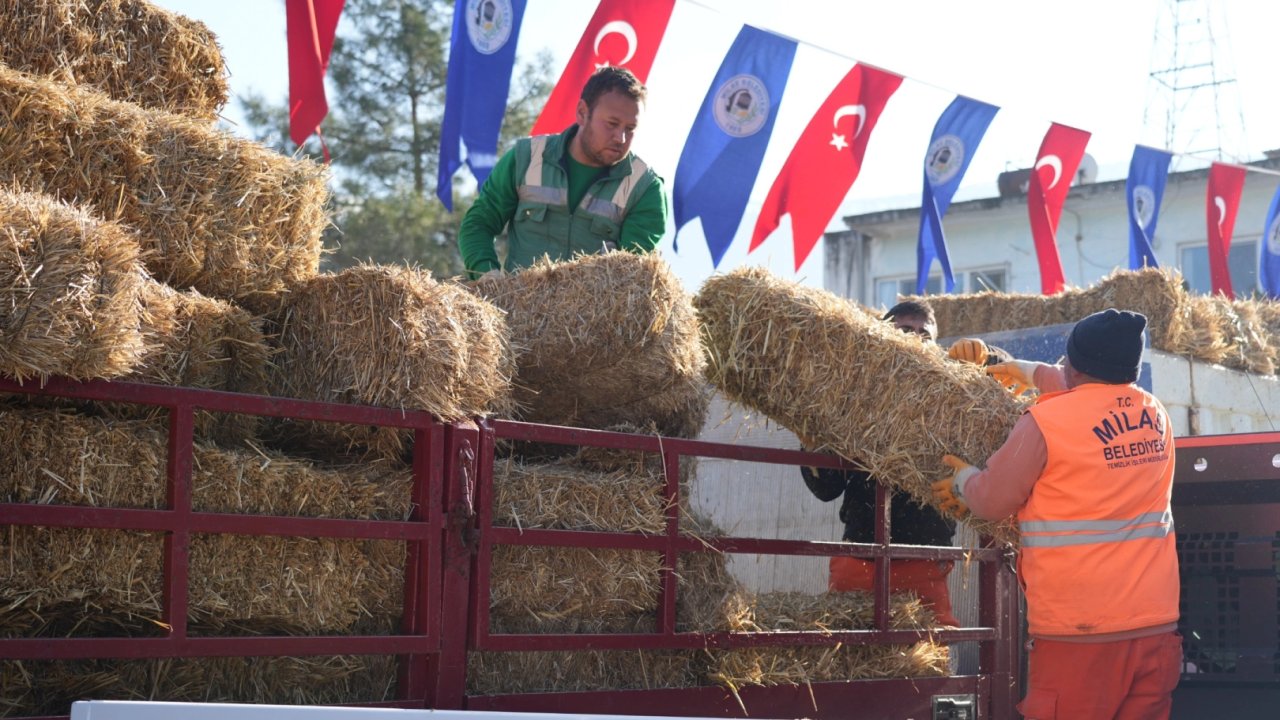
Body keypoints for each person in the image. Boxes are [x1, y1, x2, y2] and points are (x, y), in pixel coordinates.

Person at [931, 308, 1181, 719]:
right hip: (1156, 629)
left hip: (1080, 633)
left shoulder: (1046, 422)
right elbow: (1094, 397)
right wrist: (1029, 371)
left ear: (1075, 365)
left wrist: (964, 480)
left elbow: (992, 500)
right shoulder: (1154, 414)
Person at [802, 299, 997, 627]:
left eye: (925, 335)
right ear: (883, 334)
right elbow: (826, 489)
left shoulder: (953, 397)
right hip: (861, 556)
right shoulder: (855, 397)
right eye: (905, 330)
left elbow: (1003, 387)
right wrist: (811, 442)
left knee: (930, 648)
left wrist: (988, 354)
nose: (915, 339)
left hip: (926, 557)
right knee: (847, 647)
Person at [457, 65, 668, 280]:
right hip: (516, 302)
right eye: (612, 124)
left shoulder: (644, 188)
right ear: (582, 112)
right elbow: (479, 224)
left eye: (630, 129)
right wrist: (487, 275)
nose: (620, 138)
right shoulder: (525, 159)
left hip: (596, 304)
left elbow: (632, 275)